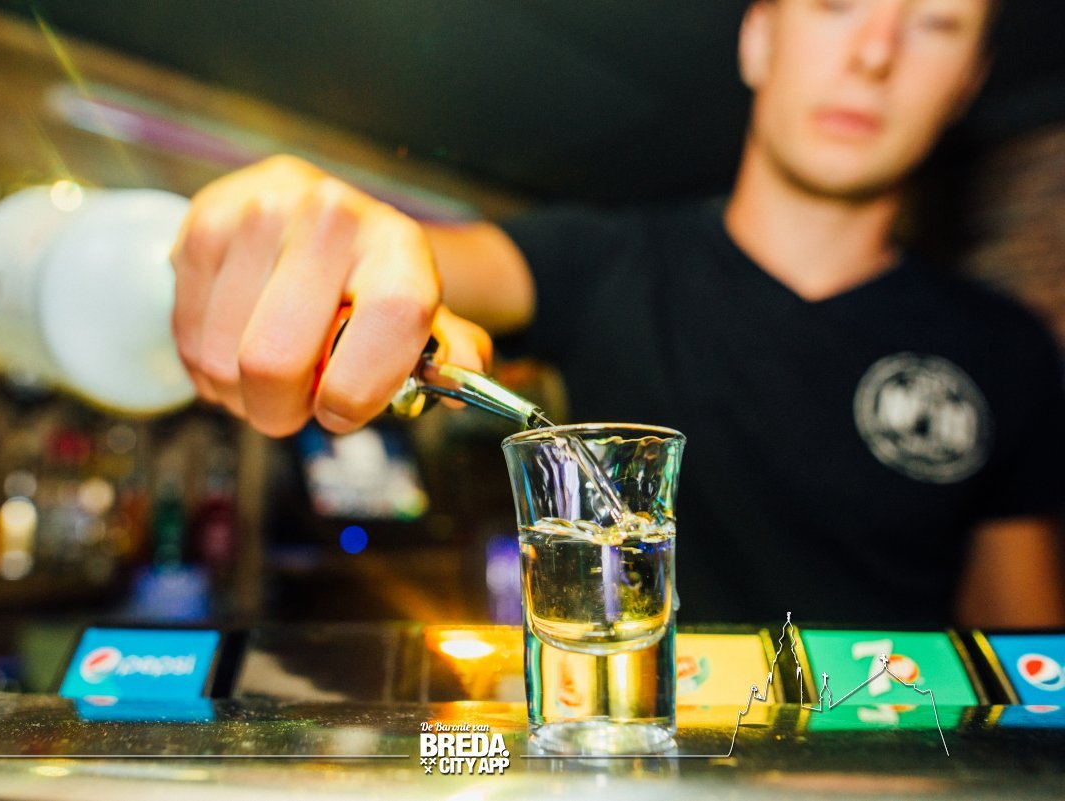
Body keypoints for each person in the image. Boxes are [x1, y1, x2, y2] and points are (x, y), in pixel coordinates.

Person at [169, 0, 1065, 627]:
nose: (874, 54)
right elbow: (431, 261)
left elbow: (1028, 664)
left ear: (968, 82)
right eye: (835, 5)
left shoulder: (1006, 349)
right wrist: (336, 238)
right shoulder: (602, 262)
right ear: (759, 39)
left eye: (936, 23)